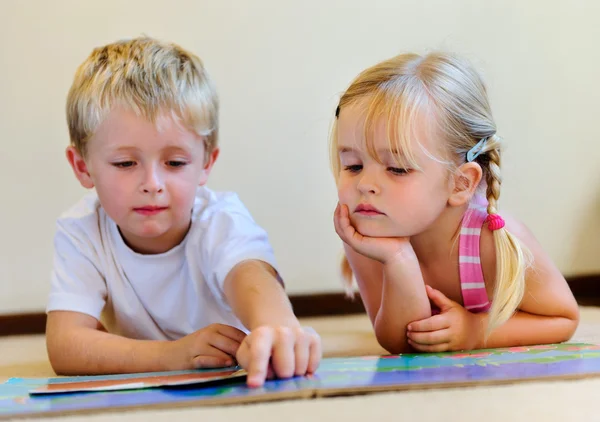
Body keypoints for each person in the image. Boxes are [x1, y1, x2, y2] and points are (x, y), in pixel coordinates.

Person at [46, 36, 321, 387]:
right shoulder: (80, 230)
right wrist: (172, 355)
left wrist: (279, 331)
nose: (152, 183)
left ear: (206, 163)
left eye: (175, 162)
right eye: (125, 162)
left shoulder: (221, 221)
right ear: (83, 167)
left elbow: (253, 281)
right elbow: (65, 345)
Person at [331, 52, 579, 354]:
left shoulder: (492, 240)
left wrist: (476, 331)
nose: (365, 185)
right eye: (353, 166)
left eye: (397, 169)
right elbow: (398, 342)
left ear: (460, 183)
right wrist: (398, 259)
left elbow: (563, 318)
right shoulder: (369, 237)